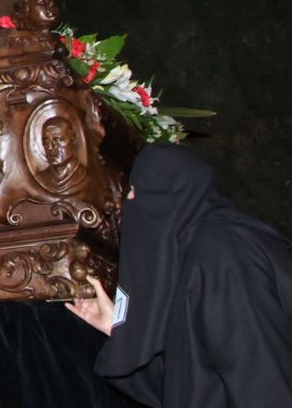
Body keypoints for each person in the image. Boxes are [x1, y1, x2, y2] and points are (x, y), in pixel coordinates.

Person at [67, 144, 292, 406]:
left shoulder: (223, 251)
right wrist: (118, 327)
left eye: (136, 193)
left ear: (171, 194)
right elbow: (191, 383)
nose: (128, 207)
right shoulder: (203, 258)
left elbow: (260, 376)